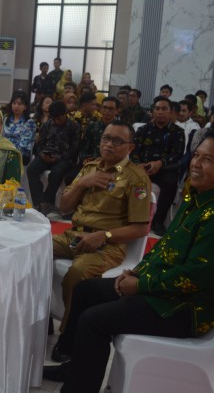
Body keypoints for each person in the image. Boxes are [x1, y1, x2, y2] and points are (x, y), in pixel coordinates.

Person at [43, 128, 214, 393]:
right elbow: (165, 247)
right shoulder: (200, 199)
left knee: (93, 320)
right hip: (165, 291)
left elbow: (194, 278)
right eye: (197, 156)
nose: (196, 164)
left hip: (183, 308)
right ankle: (73, 364)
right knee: (87, 291)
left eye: (208, 159)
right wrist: (137, 272)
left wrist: (140, 285)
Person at [50, 122, 151, 358]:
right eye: (106, 138)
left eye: (117, 141)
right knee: (35, 252)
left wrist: (103, 235)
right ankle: (41, 318)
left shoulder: (136, 178)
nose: (109, 145)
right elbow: (64, 206)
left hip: (107, 244)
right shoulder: (90, 168)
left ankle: (69, 337)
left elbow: (140, 228)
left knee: (78, 273)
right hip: (74, 236)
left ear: (130, 147)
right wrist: (83, 183)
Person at [130, 97, 185, 236]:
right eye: (157, 109)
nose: (160, 112)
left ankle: (158, 221)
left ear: (170, 112)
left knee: (170, 183)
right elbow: (134, 151)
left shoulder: (177, 131)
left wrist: (160, 163)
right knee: (135, 179)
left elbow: (177, 154)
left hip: (164, 169)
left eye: (164, 109)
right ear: (153, 111)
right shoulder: (143, 129)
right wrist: (139, 164)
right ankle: (138, 218)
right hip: (143, 168)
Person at [26, 100, 80, 215]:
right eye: (54, 118)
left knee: (56, 173)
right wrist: (41, 154)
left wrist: (58, 158)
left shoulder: (73, 127)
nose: (56, 121)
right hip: (46, 155)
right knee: (31, 170)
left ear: (65, 114)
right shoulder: (48, 124)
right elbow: (39, 143)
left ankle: (47, 202)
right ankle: (40, 202)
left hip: (64, 159)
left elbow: (74, 149)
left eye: (58, 118)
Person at [2, 89, 36, 162]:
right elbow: (1, 137)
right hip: (4, 151)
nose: (16, 106)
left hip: (20, 154)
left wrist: (7, 150)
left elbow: (24, 145)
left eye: (19, 104)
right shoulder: (6, 119)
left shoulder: (29, 123)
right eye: (14, 103)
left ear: (25, 107)